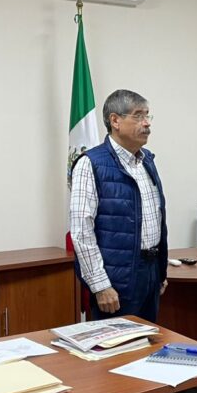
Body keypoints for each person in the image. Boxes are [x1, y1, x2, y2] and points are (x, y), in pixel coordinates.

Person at [69, 89, 168, 322]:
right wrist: (100, 285)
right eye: (138, 116)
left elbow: (157, 218)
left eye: (148, 116)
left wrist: (160, 271)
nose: (147, 123)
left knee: (148, 347)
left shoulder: (147, 161)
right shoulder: (90, 164)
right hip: (116, 280)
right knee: (116, 354)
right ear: (115, 120)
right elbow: (82, 231)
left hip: (150, 273)